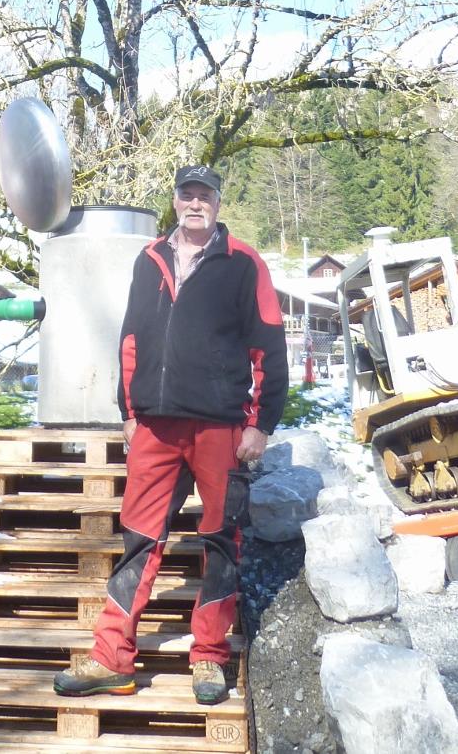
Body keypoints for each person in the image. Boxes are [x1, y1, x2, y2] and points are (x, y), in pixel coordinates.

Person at [54, 163, 288, 706]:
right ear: (176, 200)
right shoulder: (150, 259)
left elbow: (269, 349)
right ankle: (111, 658)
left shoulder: (244, 264)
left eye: (206, 195)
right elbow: (131, 336)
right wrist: (128, 410)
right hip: (156, 426)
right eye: (188, 194)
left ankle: (209, 658)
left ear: (218, 204)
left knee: (220, 542)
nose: (196, 203)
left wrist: (261, 425)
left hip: (219, 427)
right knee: (138, 537)